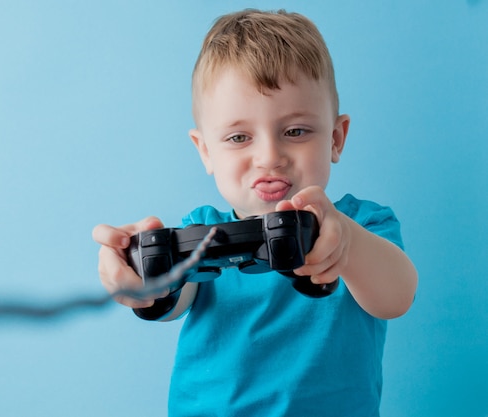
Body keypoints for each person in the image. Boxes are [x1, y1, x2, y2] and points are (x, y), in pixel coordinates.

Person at [92, 8, 418, 416]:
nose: (269, 157)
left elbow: (397, 296)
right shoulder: (203, 228)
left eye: (295, 131)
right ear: (205, 151)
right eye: (239, 137)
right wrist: (142, 274)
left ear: (336, 138)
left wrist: (346, 244)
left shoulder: (363, 224)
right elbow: (171, 303)